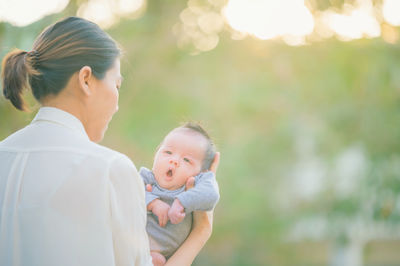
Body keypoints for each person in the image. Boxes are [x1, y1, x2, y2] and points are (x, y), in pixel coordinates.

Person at [0, 16, 217, 266]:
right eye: (116, 85)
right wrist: (201, 231)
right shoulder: (110, 170)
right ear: (86, 80)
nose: (116, 105)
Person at [140, 122, 220, 266]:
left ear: (201, 173)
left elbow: (212, 194)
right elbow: (128, 194)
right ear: (156, 155)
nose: (174, 160)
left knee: (156, 261)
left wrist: (182, 202)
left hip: (161, 256)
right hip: (135, 241)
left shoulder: (195, 185)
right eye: (168, 152)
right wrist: (153, 203)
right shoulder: (147, 179)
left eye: (187, 160)